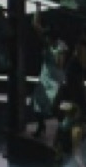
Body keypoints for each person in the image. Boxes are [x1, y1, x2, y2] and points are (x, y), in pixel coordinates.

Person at [29, 9, 68, 138]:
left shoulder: (60, 46)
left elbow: (60, 64)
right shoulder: (47, 42)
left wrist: (55, 53)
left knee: (54, 107)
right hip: (45, 77)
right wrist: (38, 9)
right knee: (37, 104)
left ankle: (64, 129)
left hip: (55, 80)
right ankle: (41, 127)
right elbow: (35, 24)